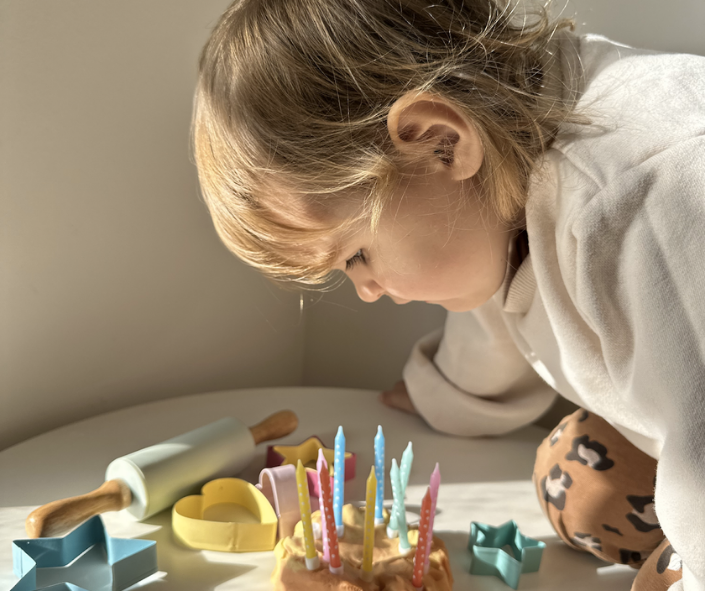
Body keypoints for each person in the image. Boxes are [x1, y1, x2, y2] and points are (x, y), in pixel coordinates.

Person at [191, 1, 705, 589]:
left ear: (440, 143)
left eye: (358, 255)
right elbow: (502, 308)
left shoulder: (647, 200)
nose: (366, 289)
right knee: (579, 478)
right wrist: (448, 391)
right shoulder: (492, 194)